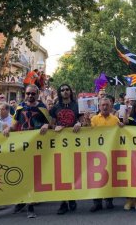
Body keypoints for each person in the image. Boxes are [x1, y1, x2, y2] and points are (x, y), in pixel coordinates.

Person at [12, 84, 50, 218]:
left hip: (37, 145)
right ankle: (22, 201)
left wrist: (46, 124)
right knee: (22, 174)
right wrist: (6, 130)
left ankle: (30, 206)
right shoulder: (20, 107)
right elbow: (14, 124)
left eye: (33, 93)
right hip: (22, 145)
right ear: (25, 94)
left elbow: (50, 123)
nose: (30, 96)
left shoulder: (42, 108)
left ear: (37, 94)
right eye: (28, 93)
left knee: (33, 176)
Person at [49, 84, 81, 215]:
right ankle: (63, 202)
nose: (65, 92)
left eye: (67, 89)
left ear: (70, 92)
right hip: (59, 144)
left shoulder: (77, 106)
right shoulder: (55, 108)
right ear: (59, 93)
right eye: (62, 90)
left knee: (72, 172)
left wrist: (79, 123)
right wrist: (54, 126)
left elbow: (82, 121)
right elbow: (51, 124)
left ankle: (72, 198)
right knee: (61, 174)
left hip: (74, 143)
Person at [89, 97, 124, 213]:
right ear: (99, 106)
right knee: (96, 177)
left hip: (110, 152)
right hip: (96, 152)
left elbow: (121, 133)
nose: (104, 107)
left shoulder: (115, 119)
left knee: (109, 176)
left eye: (107, 105)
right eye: (103, 105)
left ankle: (109, 200)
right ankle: (97, 202)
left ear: (110, 106)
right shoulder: (93, 119)